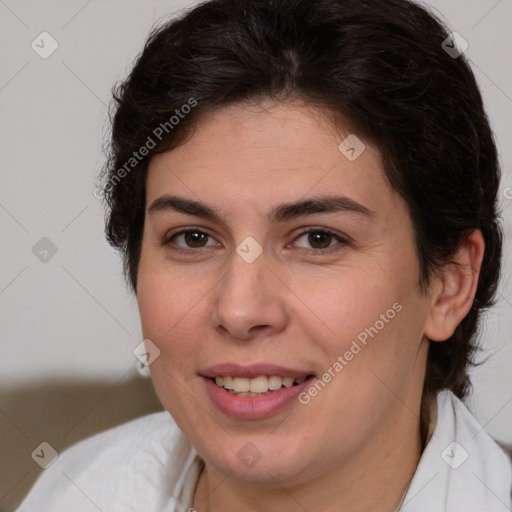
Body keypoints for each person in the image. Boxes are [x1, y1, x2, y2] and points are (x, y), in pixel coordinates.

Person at [16, 0, 512, 510]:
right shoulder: (77, 490)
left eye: (319, 239)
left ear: (450, 284)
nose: (239, 311)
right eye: (193, 237)